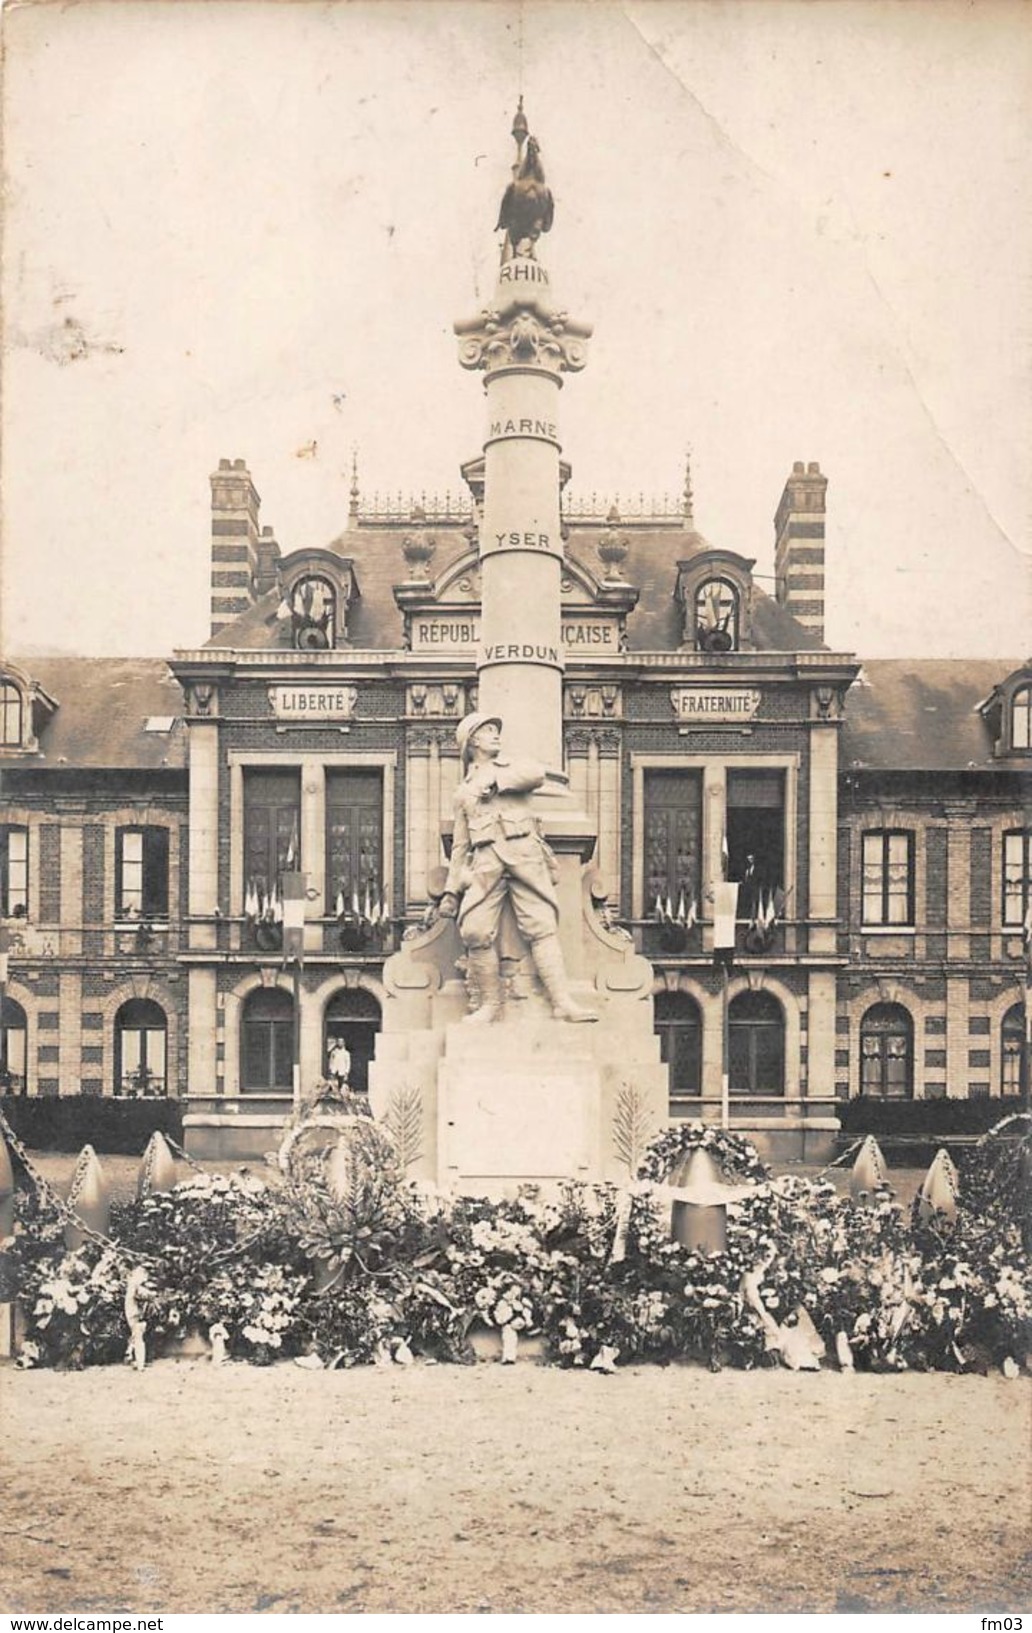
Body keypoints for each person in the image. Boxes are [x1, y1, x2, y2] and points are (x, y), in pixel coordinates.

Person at [438, 712, 597, 1023]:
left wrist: (496, 782)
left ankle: (563, 1002)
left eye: (496, 730)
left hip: (524, 854)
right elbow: (460, 845)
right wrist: (451, 891)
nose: (496, 735)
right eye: (487, 731)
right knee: (474, 930)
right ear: (472, 742)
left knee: (541, 926)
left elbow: (536, 775)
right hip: (485, 864)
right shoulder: (464, 792)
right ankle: (490, 1004)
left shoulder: (511, 768)